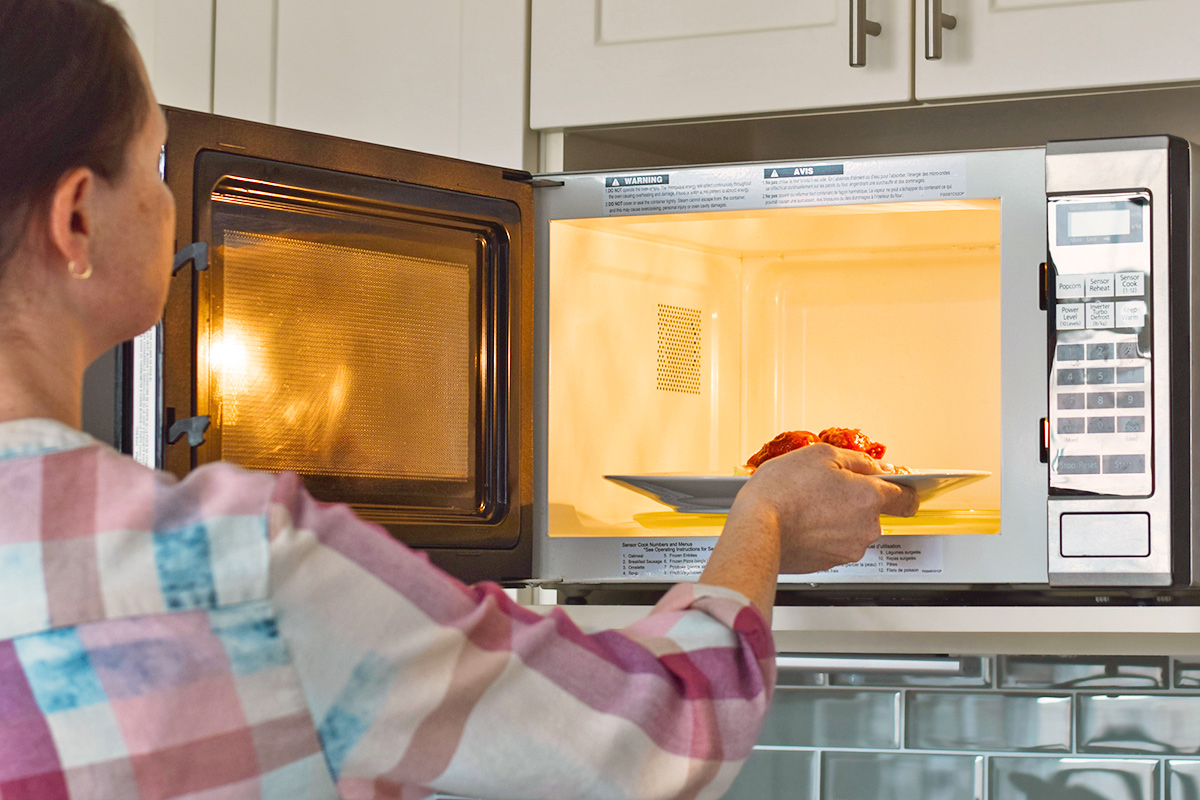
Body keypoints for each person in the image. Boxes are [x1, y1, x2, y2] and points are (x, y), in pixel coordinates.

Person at [0, 1, 919, 798]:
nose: (169, 212)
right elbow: (653, 739)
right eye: (157, 167)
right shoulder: (237, 566)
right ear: (78, 215)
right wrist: (761, 522)